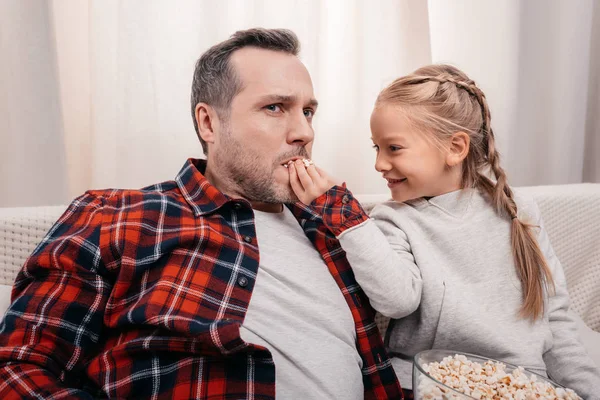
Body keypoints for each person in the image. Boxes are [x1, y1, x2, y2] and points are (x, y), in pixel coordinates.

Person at [0, 28, 403, 399]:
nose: (305, 133)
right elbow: (19, 367)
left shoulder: (337, 231)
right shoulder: (116, 215)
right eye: (276, 107)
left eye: (308, 111)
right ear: (208, 122)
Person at [291, 64, 600, 399]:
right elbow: (396, 300)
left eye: (393, 148)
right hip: (424, 384)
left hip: (521, 386)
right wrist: (348, 218)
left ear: (455, 148)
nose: (379, 164)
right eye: (376, 148)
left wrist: (589, 389)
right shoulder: (392, 219)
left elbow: (556, 319)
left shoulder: (516, 211)